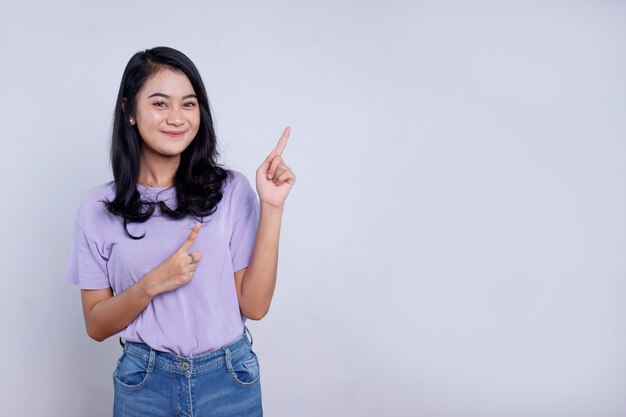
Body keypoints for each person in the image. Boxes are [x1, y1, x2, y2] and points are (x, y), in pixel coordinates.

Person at [63, 46, 295, 417]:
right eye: (160, 103)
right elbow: (96, 325)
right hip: (144, 384)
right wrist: (151, 284)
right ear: (130, 112)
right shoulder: (97, 208)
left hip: (228, 379)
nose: (177, 117)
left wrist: (272, 207)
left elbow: (254, 306)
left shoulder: (231, 190)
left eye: (188, 104)